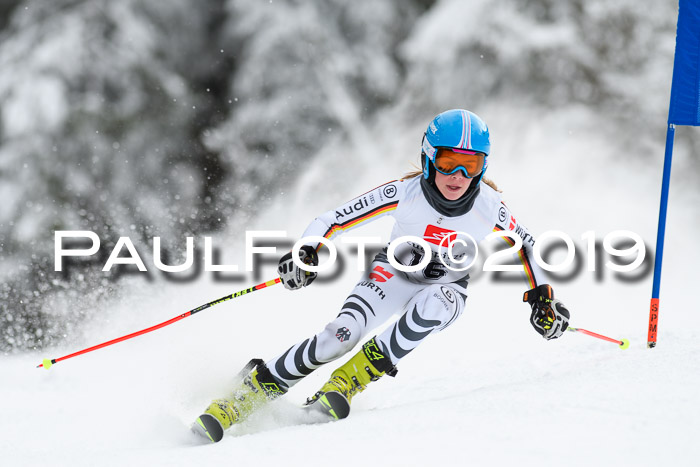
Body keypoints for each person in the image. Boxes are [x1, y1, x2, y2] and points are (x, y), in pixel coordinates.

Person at [192, 109, 571, 442]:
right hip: (393, 272)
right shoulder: (405, 193)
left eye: (469, 166)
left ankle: (347, 381)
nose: (456, 175)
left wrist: (542, 299)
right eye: (447, 161)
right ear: (428, 157)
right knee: (337, 339)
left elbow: (527, 247)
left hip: (446, 286)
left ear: (482, 168)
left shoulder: (489, 206)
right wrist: (307, 252)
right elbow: (333, 220)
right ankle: (241, 398)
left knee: (435, 305)